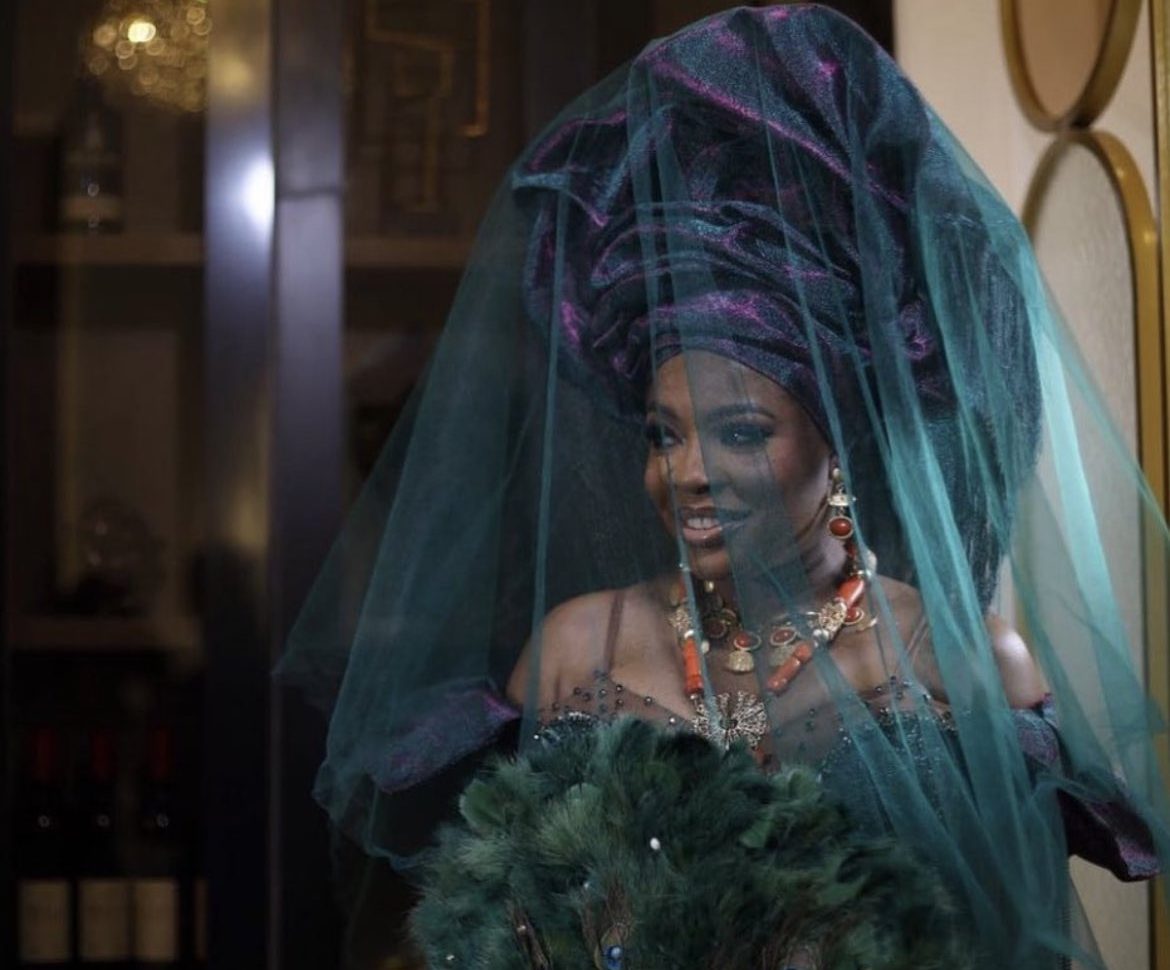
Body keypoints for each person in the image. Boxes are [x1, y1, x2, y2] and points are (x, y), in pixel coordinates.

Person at [281, 5, 1169, 967]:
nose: (690, 473)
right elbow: (496, 919)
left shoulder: (960, 665)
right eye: (664, 435)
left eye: (742, 432)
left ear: (838, 446)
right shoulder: (577, 650)